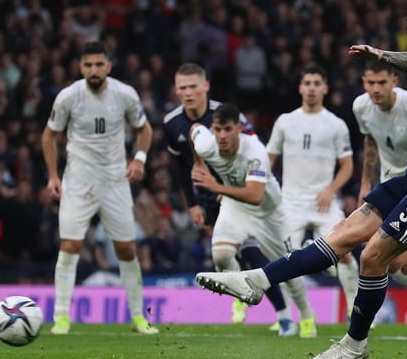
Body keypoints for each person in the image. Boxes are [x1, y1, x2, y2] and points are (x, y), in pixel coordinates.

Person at [195, 0, 407, 359]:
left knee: (373, 256)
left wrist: (382, 55)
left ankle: (356, 344)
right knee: (344, 234)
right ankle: (257, 280)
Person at [163, 63, 297, 334]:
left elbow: (251, 150)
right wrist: (192, 203)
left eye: (193, 87)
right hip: (205, 194)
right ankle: (241, 295)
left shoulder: (225, 115)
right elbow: (180, 166)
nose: (188, 93)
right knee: (224, 254)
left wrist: (233, 188)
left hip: (235, 192)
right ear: (176, 90)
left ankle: (283, 314)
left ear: (205, 87)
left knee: (250, 251)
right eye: (183, 88)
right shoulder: (171, 123)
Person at [41, 41, 158, 335]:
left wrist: (140, 159)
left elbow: (145, 129)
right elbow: (48, 136)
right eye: (88, 65)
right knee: (70, 245)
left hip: (115, 180)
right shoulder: (68, 97)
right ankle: (62, 318)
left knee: (127, 249)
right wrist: (53, 176)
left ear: (108, 65)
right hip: (78, 180)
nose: (93, 70)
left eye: (98, 64)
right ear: (80, 67)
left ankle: (137, 318)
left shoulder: (124, 94)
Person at [190, 103, 317, 337]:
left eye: (228, 129)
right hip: (235, 205)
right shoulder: (208, 144)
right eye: (217, 129)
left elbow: (256, 196)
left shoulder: (255, 153)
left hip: (269, 213)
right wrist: (198, 163)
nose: (222, 136)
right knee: (221, 255)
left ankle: (307, 316)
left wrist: (216, 186)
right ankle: (239, 292)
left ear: (239, 128)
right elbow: (194, 129)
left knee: (290, 269)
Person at [352, 61, 407, 337]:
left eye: (381, 83)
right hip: (389, 185)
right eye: (370, 83)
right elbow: (370, 143)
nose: (375, 89)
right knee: (391, 261)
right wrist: (366, 183)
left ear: (395, 81)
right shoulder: (360, 107)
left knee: (397, 259)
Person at [265, 66, 359, 322]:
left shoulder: (336, 125)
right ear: (300, 87)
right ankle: (292, 315)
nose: (311, 88)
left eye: (317, 83)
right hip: (290, 204)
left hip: (324, 203)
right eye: (307, 82)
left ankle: (354, 308)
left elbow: (348, 165)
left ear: (325, 88)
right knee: (283, 261)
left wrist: (330, 191)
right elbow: (268, 160)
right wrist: (268, 193)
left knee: (346, 251)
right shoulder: (285, 121)